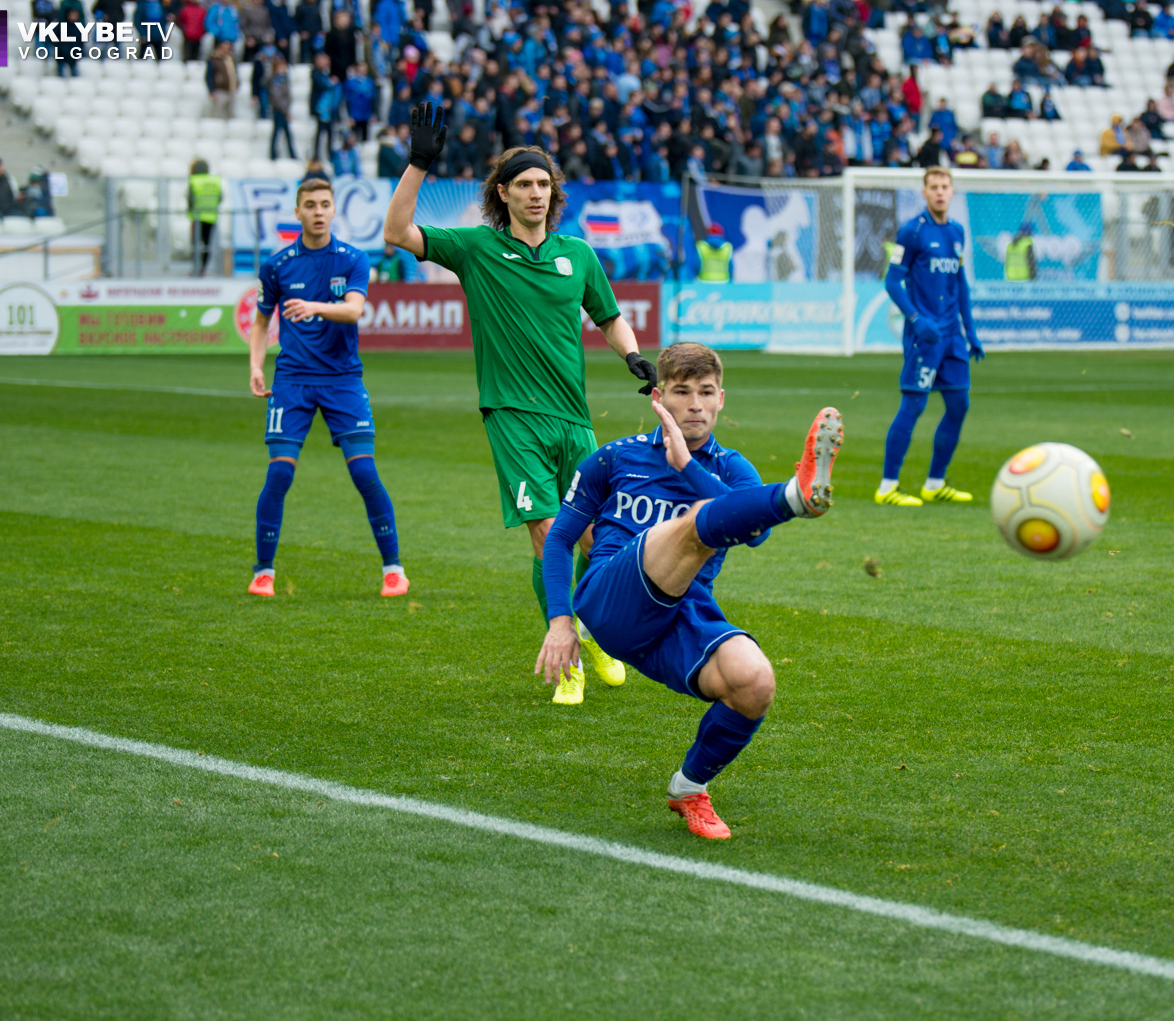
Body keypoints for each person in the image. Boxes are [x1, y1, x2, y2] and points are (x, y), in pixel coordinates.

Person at [382, 103, 656, 703]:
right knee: (546, 531)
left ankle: (596, 632)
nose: (537, 193)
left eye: (544, 185)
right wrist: (418, 165)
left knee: (597, 540)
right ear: (502, 193)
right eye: (525, 184)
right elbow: (397, 234)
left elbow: (608, 317)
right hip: (511, 415)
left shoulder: (577, 255)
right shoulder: (476, 248)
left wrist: (633, 357)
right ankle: (569, 652)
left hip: (573, 418)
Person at [535, 343, 842, 837]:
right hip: (611, 595)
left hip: (679, 615)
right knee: (695, 524)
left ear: (722, 398)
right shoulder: (614, 458)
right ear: (659, 399)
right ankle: (795, 497)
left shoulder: (732, 469)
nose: (695, 404)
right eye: (682, 392)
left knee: (754, 681)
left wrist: (688, 469)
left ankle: (688, 787)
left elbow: (755, 532)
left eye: (705, 392)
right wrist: (559, 621)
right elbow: (560, 540)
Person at [246, 178, 406, 598]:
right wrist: (255, 366)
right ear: (297, 212)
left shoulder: (353, 259)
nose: (318, 211)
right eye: (310, 205)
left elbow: (354, 311)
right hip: (293, 381)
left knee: (364, 471)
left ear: (334, 210)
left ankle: (393, 569)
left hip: (342, 380)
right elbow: (262, 322)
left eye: (324, 204)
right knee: (279, 472)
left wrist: (314, 307)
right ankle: (263, 572)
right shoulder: (278, 265)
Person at [875, 166, 983, 508]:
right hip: (925, 335)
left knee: (959, 405)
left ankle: (935, 483)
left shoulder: (956, 232)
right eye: (933, 186)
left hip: (952, 336)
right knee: (915, 404)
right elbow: (893, 281)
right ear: (924, 192)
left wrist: (971, 331)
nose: (939, 192)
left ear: (952, 191)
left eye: (945, 186)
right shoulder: (912, 232)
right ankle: (888, 486)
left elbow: (960, 283)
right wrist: (916, 318)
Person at [187, 159, 222, 276]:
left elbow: (190, 199)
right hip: (212, 217)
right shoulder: (215, 181)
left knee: (196, 244)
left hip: (197, 217)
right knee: (207, 245)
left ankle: (195, 269)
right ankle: (203, 270)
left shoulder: (194, 180)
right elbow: (220, 198)